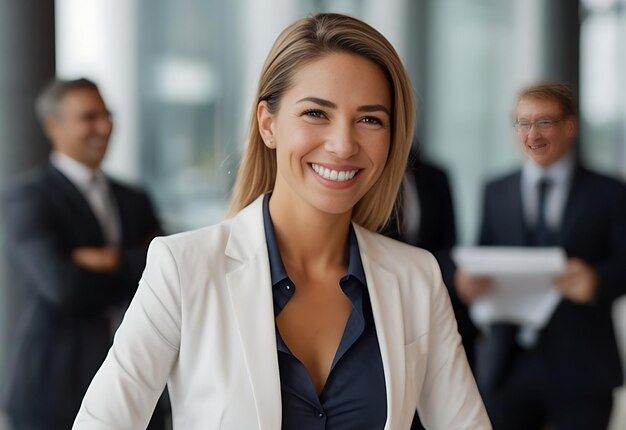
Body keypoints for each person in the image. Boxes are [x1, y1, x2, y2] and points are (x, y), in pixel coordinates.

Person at [73, 13, 490, 429]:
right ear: (268, 124)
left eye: (369, 119)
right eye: (316, 113)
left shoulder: (415, 277)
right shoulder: (183, 268)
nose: (344, 145)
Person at [455, 83, 626, 430]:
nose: (532, 134)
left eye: (544, 122)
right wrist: (467, 281)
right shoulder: (495, 189)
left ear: (570, 127)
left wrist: (596, 281)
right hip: (507, 365)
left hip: (583, 367)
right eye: (523, 123)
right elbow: (482, 254)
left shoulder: (609, 191)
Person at [0, 78, 165, 429]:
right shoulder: (27, 198)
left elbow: (165, 273)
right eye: (89, 117)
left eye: (107, 115)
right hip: (53, 390)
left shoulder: (134, 199)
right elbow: (63, 286)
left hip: (137, 385)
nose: (104, 127)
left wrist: (110, 260)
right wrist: (133, 268)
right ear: (52, 126)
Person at [383, 144, 478, 430]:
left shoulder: (435, 175)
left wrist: (454, 277)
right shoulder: (370, 175)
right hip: (385, 295)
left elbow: (449, 243)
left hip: (431, 294)